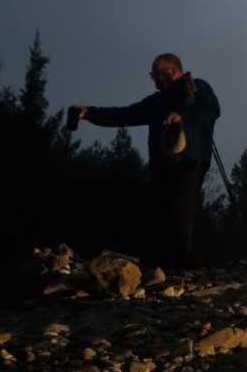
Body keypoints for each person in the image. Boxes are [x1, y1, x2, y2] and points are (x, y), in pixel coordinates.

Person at [71, 53, 220, 270]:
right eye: (153, 75)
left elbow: (212, 110)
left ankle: (184, 271)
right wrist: (90, 113)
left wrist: (182, 117)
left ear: (170, 72)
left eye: (157, 74)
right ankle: (159, 269)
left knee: (179, 214)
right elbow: (125, 115)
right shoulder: (156, 102)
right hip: (161, 166)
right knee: (159, 217)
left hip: (190, 162)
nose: (154, 79)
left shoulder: (197, 87)